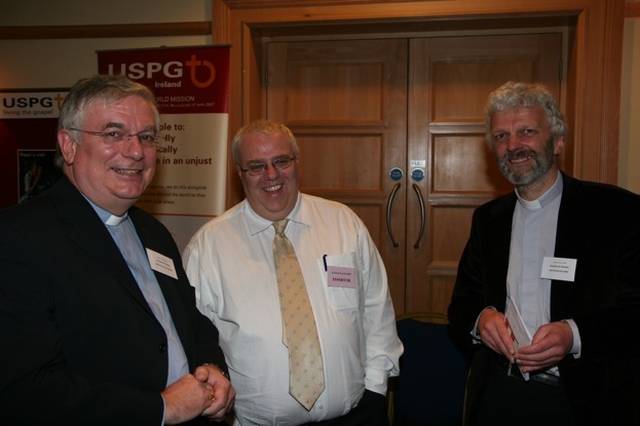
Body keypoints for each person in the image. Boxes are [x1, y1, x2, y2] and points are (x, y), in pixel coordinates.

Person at [0, 74, 235, 425]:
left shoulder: (153, 232)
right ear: (68, 145)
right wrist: (160, 408)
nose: (136, 151)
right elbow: (25, 389)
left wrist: (211, 368)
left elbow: (191, 320)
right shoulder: (18, 237)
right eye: (113, 134)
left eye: (146, 137)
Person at [182, 120, 403, 426]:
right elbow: (194, 337)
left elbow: (377, 311)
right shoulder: (207, 247)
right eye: (256, 166)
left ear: (297, 162)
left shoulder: (344, 224)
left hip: (354, 416)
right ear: (239, 173)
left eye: (281, 161)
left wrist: (376, 388)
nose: (271, 175)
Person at [448, 81, 640, 425]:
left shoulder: (618, 212)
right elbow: (462, 304)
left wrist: (573, 335)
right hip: (499, 394)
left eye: (527, 131)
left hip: (584, 399)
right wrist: (482, 319)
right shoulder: (487, 221)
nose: (513, 145)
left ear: (558, 142)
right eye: (501, 136)